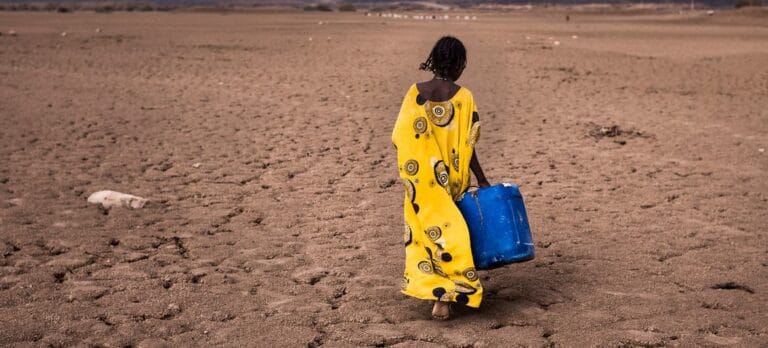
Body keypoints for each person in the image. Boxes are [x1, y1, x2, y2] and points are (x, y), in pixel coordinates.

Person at [391, 36, 490, 320]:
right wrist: (481, 179)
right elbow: (470, 145)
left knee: (425, 237)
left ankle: (436, 292)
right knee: (454, 234)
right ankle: (445, 298)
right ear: (458, 63)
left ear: (435, 59)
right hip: (450, 182)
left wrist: (419, 166)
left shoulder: (414, 93)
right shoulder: (464, 98)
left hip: (420, 182)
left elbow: (400, 136)